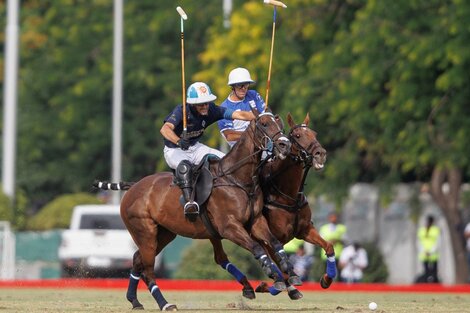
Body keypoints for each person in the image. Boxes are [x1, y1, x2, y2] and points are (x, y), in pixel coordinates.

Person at [160, 82, 255, 219]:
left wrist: (261, 116)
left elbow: (239, 115)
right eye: (201, 104)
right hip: (174, 149)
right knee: (185, 166)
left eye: (207, 103)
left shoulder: (212, 110)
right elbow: (165, 129)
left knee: (225, 160)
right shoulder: (182, 111)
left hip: (195, 147)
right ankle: (189, 203)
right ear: (192, 104)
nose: (205, 106)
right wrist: (178, 141)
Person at [218, 67, 266, 147]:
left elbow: (264, 117)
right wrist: (254, 135)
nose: (243, 88)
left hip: (261, 143)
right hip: (241, 148)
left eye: (246, 84)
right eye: (240, 85)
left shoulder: (253, 94)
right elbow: (230, 136)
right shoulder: (224, 107)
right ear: (232, 86)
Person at [416, 215, 440, 283]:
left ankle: (434, 283)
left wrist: (431, 251)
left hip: (433, 254)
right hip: (424, 254)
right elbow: (419, 241)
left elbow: (438, 241)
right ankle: (427, 284)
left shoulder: (435, 230)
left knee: (434, 271)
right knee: (426, 270)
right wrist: (423, 251)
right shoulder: (421, 230)